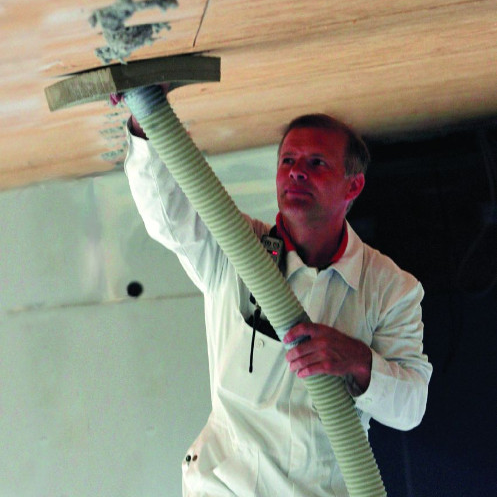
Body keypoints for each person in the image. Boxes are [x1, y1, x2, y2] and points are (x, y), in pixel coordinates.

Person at [120, 86, 432, 496]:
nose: (297, 172)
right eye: (288, 161)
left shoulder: (390, 287)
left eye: (316, 163)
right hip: (225, 485)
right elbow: (168, 216)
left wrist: (356, 360)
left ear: (352, 186)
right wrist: (145, 119)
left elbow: (410, 407)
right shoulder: (238, 248)